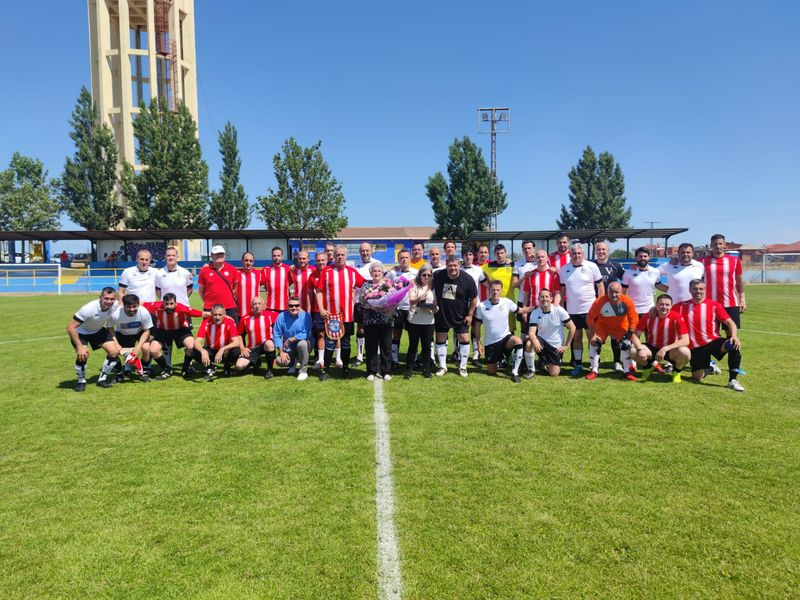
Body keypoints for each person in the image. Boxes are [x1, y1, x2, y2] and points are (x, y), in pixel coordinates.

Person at [674, 279, 745, 392]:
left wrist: (734, 336)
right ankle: (710, 368)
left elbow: (730, 323)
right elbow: (666, 313)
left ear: (704, 290)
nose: (698, 291)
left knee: (733, 344)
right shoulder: (681, 306)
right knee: (697, 377)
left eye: (701, 289)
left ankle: (733, 380)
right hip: (695, 348)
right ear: (690, 290)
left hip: (713, 341)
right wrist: (654, 309)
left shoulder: (714, 305)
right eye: (695, 289)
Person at [314, 245, 366, 380]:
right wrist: (321, 308)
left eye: (342, 255)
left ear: (346, 256)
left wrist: (383, 285)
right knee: (330, 343)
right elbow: (318, 291)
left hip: (347, 316)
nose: (340, 257)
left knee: (346, 343)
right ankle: (325, 370)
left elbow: (366, 286)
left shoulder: (352, 272)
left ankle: (346, 368)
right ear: (334, 256)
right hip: (331, 316)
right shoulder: (326, 271)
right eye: (338, 255)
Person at [475, 280, 534, 382]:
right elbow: (477, 326)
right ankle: (499, 361)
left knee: (518, 341)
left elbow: (521, 310)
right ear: (490, 290)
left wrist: (536, 307)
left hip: (505, 339)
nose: (495, 292)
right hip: (491, 344)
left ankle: (514, 372)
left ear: (501, 291)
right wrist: (479, 343)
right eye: (493, 290)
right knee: (491, 371)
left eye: (498, 290)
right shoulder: (482, 306)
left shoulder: (506, 302)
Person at [560, 243, 604, 375]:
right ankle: (578, 364)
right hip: (572, 310)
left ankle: (594, 364)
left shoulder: (592, 266)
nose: (576, 256)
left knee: (592, 336)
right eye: (574, 253)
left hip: (590, 310)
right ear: (570, 255)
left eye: (579, 253)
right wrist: (563, 307)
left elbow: (601, 287)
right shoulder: (564, 269)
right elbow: (563, 290)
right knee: (576, 337)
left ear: (583, 254)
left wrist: (599, 305)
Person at [66, 287, 121, 391]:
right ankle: (81, 381)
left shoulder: (115, 305)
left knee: (114, 351)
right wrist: (80, 347)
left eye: (112, 299)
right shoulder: (88, 309)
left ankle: (102, 380)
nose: (109, 301)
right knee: (83, 355)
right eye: (106, 298)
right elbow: (70, 327)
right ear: (100, 297)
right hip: (81, 333)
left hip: (97, 330)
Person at [432, 256, 478, 377]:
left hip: (461, 315)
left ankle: (463, 367)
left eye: (455, 265)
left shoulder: (467, 279)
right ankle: (443, 366)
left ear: (459, 265)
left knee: (463, 338)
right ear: (446, 266)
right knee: (441, 337)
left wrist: (470, 315)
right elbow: (426, 283)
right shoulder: (438, 275)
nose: (452, 268)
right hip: (442, 313)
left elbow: (474, 298)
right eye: (450, 265)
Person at [144, 293, 206, 379]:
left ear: (175, 303)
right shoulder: (156, 305)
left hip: (180, 329)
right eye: (166, 304)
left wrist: (221, 315)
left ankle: (185, 369)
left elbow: (201, 313)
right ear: (163, 303)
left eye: (171, 304)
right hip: (163, 330)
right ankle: (167, 370)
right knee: (153, 350)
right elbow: (140, 304)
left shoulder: (181, 308)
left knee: (191, 346)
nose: (169, 306)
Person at [585, 282, 639, 381]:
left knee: (626, 344)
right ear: (607, 292)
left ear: (621, 292)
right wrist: (593, 335)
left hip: (620, 326)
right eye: (611, 292)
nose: (613, 295)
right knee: (594, 343)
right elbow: (590, 318)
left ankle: (626, 371)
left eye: (616, 292)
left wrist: (629, 335)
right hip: (603, 326)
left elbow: (634, 319)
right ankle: (594, 370)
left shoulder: (627, 301)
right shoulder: (600, 301)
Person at [630, 294, 690, 382]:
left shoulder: (676, 317)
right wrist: (640, 349)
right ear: (656, 305)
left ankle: (676, 372)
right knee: (633, 351)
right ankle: (648, 367)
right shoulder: (648, 316)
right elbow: (634, 335)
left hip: (670, 349)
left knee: (686, 353)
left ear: (671, 306)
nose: (664, 307)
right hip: (652, 347)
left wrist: (666, 348)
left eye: (667, 305)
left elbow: (685, 340)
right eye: (661, 304)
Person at [360, 262, 398, 381]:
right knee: (371, 346)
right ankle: (371, 371)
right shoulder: (366, 285)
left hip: (386, 320)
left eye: (379, 271)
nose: (376, 273)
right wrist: (373, 306)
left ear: (382, 273)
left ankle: (386, 371)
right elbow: (361, 301)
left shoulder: (388, 285)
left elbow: (394, 300)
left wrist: (387, 306)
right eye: (374, 271)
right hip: (370, 321)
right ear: (371, 273)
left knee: (386, 346)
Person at [525, 288, 576, 377]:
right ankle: (531, 370)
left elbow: (572, 327)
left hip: (555, 347)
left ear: (551, 299)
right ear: (538, 299)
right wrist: (535, 341)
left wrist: (566, 345)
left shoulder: (559, 310)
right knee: (529, 343)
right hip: (542, 343)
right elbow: (531, 332)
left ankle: (546, 362)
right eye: (542, 297)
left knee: (554, 374)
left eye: (547, 296)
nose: (544, 299)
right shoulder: (535, 313)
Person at [700, 234, 746, 329]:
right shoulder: (702, 262)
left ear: (724, 245)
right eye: (715, 244)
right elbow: (686, 264)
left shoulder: (735, 260)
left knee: (731, 334)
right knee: (711, 334)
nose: (718, 246)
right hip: (710, 304)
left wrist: (742, 300)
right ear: (711, 246)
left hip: (731, 303)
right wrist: (675, 260)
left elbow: (739, 282)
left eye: (720, 244)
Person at [109, 293, 154, 382]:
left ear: (138, 305)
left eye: (134, 306)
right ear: (124, 306)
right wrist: (116, 344)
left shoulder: (144, 312)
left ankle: (143, 371)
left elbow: (147, 331)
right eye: (129, 307)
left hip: (139, 332)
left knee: (146, 348)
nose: (132, 309)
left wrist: (138, 347)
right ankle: (124, 371)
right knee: (114, 351)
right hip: (122, 333)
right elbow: (110, 327)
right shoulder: (116, 313)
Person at [405, 263, 437, 379]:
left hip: (428, 321)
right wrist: (420, 299)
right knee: (413, 346)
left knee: (427, 347)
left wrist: (434, 308)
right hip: (415, 321)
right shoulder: (414, 286)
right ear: (420, 275)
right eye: (424, 275)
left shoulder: (433, 288)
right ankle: (409, 369)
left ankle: (426, 369)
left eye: (429, 275)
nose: (427, 277)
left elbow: (436, 304)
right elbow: (411, 301)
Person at [192, 304, 241, 380]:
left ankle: (227, 366)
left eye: (220, 314)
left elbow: (236, 342)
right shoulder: (206, 322)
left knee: (236, 351)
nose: (217, 317)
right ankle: (210, 367)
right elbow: (196, 342)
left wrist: (223, 348)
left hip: (225, 352)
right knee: (194, 351)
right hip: (211, 350)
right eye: (215, 315)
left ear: (224, 314)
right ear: (211, 314)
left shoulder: (229, 321)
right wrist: (203, 351)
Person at [387, 249, 418, 368]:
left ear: (410, 259)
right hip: (397, 308)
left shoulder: (416, 273)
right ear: (398, 260)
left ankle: (413, 360)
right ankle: (394, 360)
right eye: (401, 258)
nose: (404, 260)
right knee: (396, 335)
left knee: (413, 335)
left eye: (406, 257)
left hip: (411, 308)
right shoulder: (393, 273)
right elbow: (386, 286)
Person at [235, 296, 277, 379]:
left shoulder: (271, 315)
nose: (257, 306)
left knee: (269, 344)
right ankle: (256, 362)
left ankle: (270, 370)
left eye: (259, 303)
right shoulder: (245, 318)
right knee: (239, 366)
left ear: (263, 305)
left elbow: (283, 319)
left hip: (266, 344)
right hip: (253, 347)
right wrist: (242, 348)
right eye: (254, 304)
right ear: (251, 306)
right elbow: (239, 334)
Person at [272, 296, 313, 380]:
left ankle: (303, 371)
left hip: (305, 343)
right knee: (280, 361)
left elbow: (306, 333)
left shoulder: (306, 316)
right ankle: (293, 363)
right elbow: (276, 334)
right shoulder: (281, 316)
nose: (294, 308)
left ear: (300, 305)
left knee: (302, 344)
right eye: (291, 306)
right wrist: (281, 351)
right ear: (287, 306)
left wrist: (291, 339)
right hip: (289, 347)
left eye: (296, 305)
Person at [198, 245, 239, 323]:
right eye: (217, 254)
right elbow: (201, 291)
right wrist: (208, 301)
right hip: (210, 308)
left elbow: (235, 287)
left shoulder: (232, 269)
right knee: (210, 333)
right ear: (212, 256)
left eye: (221, 254)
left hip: (229, 308)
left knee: (232, 333)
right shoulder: (204, 270)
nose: (219, 256)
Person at [353, 242, 378, 367]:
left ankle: (375, 354)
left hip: (375, 303)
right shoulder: (354, 265)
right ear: (359, 252)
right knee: (361, 328)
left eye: (367, 250)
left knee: (375, 328)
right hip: (359, 302)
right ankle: (359, 356)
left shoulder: (377, 263)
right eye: (363, 251)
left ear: (371, 251)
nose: (365, 253)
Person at [461, 246, 485, 366]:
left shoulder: (478, 270)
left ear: (473, 256)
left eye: (470, 254)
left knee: (476, 329)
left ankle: (476, 355)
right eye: (466, 255)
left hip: (476, 304)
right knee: (460, 330)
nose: (468, 257)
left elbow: (487, 283)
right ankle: (459, 353)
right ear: (463, 257)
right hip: (461, 305)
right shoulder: (458, 269)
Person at [621, 247, 661, 317]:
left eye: (645, 256)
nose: (643, 258)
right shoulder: (628, 273)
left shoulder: (655, 271)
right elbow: (623, 292)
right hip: (633, 310)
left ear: (649, 257)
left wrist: (673, 289)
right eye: (640, 256)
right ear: (636, 258)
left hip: (650, 310)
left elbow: (659, 285)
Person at [308, 251, 328, 367]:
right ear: (315, 262)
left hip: (331, 309)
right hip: (316, 310)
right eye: (318, 260)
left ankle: (338, 359)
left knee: (334, 333)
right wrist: (310, 310)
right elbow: (310, 295)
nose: (321, 262)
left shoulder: (331, 272)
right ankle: (320, 359)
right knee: (320, 334)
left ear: (326, 260)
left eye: (322, 260)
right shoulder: (312, 276)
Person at [261, 246, 293, 313]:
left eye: (278, 255)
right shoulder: (266, 269)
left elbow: (290, 283)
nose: (276, 257)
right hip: (270, 306)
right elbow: (263, 284)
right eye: (274, 255)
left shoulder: (288, 269)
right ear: (271, 256)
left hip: (285, 306)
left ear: (282, 256)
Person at [235, 251, 261, 318]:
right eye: (246, 260)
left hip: (254, 312)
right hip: (240, 313)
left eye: (250, 261)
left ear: (253, 262)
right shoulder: (236, 273)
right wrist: (209, 265)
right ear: (242, 261)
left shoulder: (259, 274)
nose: (248, 263)